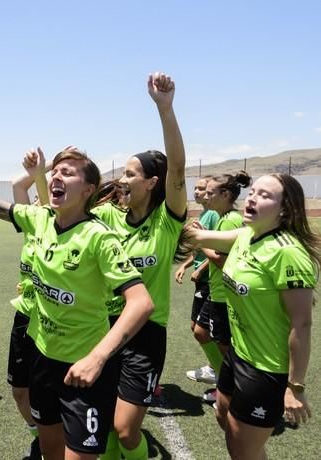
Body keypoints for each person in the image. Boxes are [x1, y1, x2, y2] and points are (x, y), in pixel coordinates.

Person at [0, 146, 154, 460]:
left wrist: (97, 358)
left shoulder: (98, 237)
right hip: (43, 360)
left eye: (68, 173)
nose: (56, 175)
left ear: (88, 189)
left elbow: (141, 303)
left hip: (84, 369)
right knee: (50, 449)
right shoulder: (39, 219)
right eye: (56, 172)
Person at [188, 174, 319, 459]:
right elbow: (201, 238)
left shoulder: (288, 254)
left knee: (240, 449)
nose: (252, 198)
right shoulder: (246, 235)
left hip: (266, 368)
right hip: (238, 354)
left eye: (265, 195)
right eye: (253, 192)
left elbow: (302, 324)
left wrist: (294, 387)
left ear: (284, 209)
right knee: (223, 416)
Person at [91, 72, 187, 460]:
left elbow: (177, 170)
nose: (122, 179)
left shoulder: (165, 221)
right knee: (108, 422)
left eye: (130, 173)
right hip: (103, 328)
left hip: (146, 335)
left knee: (126, 429)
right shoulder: (108, 218)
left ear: (151, 182)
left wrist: (165, 108)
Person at [189, 172, 250, 404]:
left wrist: (199, 240)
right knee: (202, 332)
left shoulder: (230, 220)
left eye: (210, 192)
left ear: (225, 194)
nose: (205, 195)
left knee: (226, 347)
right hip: (217, 291)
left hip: (224, 295)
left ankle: (235, 392)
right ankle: (224, 382)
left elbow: (221, 260)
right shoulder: (224, 217)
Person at [8, 148, 51, 460]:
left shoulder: (54, 221)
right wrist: (38, 171)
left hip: (53, 320)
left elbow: (49, 206)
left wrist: (43, 175)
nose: (35, 202)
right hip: (24, 315)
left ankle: (54, 440)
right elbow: (17, 187)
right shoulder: (33, 224)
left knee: (51, 392)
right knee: (19, 391)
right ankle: (39, 435)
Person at [175, 176, 220, 399]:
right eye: (196, 188)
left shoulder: (212, 215)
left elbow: (215, 247)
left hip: (210, 281)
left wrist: (200, 270)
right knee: (197, 327)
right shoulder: (204, 214)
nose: (197, 192)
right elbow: (199, 248)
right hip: (203, 279)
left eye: (202, 189)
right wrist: (185, 264)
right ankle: (216, 368)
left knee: (203, 331)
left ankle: (222, 375)